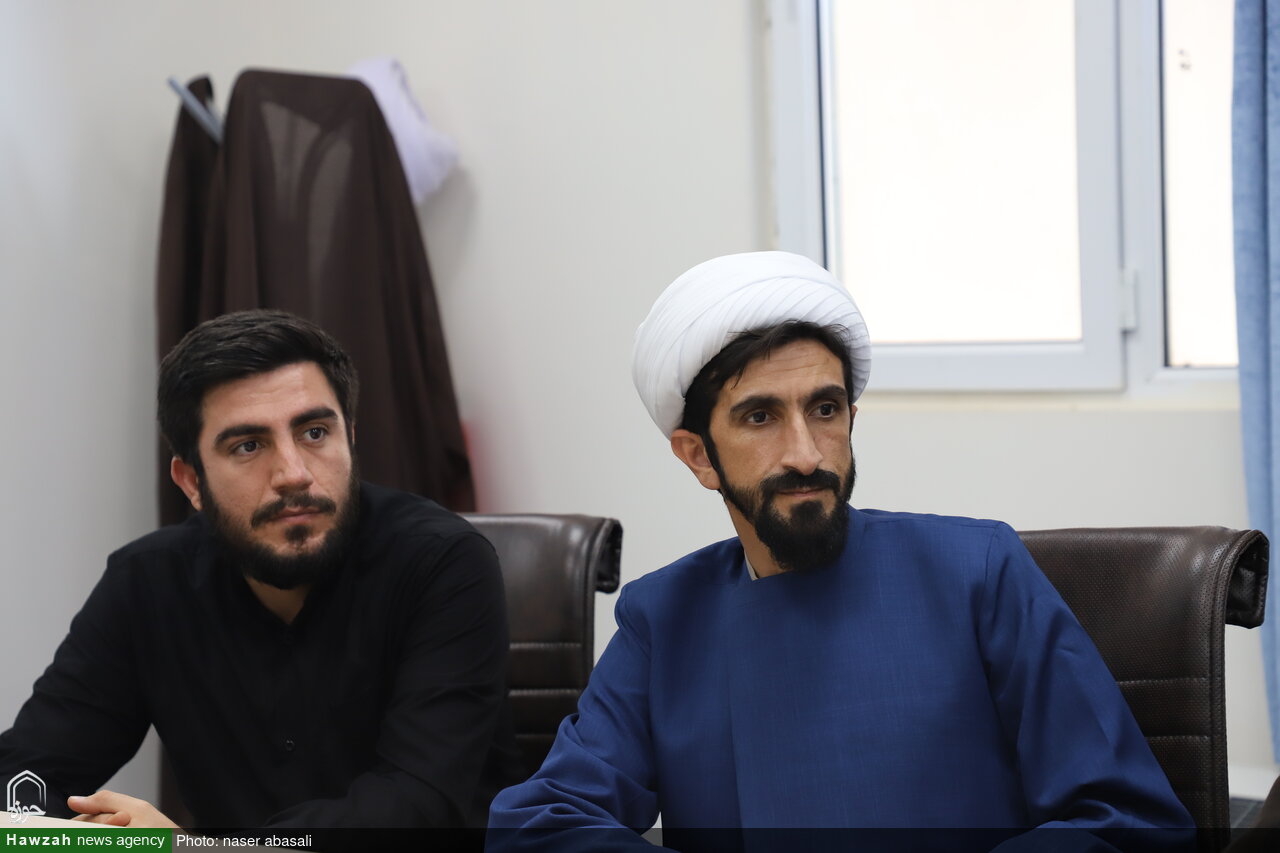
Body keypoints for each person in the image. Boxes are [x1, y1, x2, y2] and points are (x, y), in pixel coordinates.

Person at [488, 252, 1195, 850]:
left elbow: (1128, 821)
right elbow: (540, 823)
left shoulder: (977, 572)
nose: (806, 452)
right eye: (760, 416)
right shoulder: (663, 618)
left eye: (824, 409)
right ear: (698, 455)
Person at [0, 310, 519, 830]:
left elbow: (412, 811)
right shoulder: (146, 582)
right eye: (248, 446)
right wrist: (74, 837)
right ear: (191, 482)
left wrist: (197, 851)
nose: (294, 473)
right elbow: (26, 774)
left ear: (351, 438)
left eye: (314, 432)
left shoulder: (442, 563)